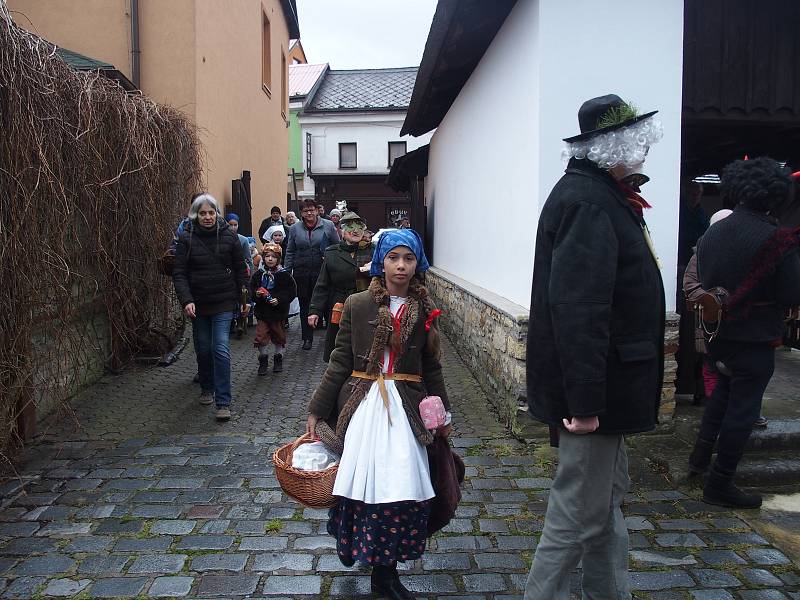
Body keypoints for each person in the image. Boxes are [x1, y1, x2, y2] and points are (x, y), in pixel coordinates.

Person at [523, 95, 665, 600]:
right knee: (575, 519)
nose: (646, 151)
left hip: (607, 394)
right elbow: (579, 310)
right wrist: (583, 406)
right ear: (613, 146)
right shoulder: (588, 201)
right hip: (594, 399)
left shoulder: (600, 194)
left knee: (604, 507)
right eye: (639, 141)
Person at [306, 228, 450, 600]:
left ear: (418, 264)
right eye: (393, 258)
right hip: (365, 406)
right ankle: (363, 555)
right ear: (380, 263)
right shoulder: (357, 304)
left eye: (409, 259)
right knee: (364, 486)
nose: (401, 266)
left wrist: (442, 413)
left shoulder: (423, 310)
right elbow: (339, 361)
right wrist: (317, 409)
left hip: (405, 410)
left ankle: (386, 572)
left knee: (399, 489)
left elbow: (431, 367)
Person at [688, 157, 800, 508]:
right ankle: (720, 484)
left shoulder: (712, 233)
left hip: (718, 333)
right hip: (754, 337)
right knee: (743, 410)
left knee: (721, 395)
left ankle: (698, 461)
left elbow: (706, 281)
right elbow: (790, 294)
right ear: (775, 194)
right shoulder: (777, 239)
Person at [173, 193, 249, 421]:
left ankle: (223, 402)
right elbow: (180, 273)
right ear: (196, 215)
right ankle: (207, 386)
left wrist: (245, 299)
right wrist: (186, 300)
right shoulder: (186, 239)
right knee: (204, 348)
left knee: (221, 348)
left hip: (224, 301)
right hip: (198, 303)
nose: (207, 217)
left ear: (217, 213)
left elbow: (240, 269)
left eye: (211, 212)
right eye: (203, 213)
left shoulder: (229, 237)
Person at [308, 212, 374, 362]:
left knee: (365, 345)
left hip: (366, 304)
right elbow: (322, 284)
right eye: (350, 226)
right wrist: (314, 310)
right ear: (342, 231)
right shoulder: (332, 253)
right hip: (340, 304)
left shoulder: (372, 251)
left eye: (359, 226)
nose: (356, 230)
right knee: (340, 345)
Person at [284, 199, 341, 350]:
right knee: (305, 306)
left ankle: (331, 338)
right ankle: (307, 338)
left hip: (323, 271)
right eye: (305, 210)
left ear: (317, 210)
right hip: (302, 271)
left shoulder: (328, 225)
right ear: (301, 213)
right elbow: (290, 251)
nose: (309, 213)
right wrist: (286, 271)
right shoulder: (295, 228)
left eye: (312, 210)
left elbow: (337, 246)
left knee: (328, 305)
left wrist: (334, 263)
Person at [676, 181, 710, 402]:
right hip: (681, 272)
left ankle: (700, 389)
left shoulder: (702, 215)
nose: (694, 196)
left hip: (700, 279)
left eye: (697, 193)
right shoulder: (679, 213)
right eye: (691, 192)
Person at [250, 243, 296, 376]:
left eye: (273, 257)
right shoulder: (259, 275)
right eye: (267, 256)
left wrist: (279, 299)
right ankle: (263, 359)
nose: (270, 259)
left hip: (278, 313)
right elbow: (251, 289)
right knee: (261, 336)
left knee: (279, 336)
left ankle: (278, 358)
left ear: (278, 259)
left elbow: (291, 291)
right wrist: (256, 295)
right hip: (263, 313)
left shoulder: (284, 275)